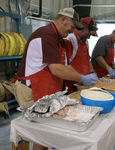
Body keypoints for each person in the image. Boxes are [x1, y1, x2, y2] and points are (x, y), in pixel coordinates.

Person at [16, 8, 98, 150]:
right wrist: (82, 78)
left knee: (45, 134)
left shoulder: (58, 39)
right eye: (72, 27)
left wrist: (85, 77)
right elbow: (56, 69)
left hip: (45, 90)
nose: (72, 31)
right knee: (40, 135)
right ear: (63, 20)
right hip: (31, 89)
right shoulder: (46, 35)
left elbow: (65, 66)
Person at [65, 17, 98, 94]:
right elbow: (64, 65)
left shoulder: (85, 41)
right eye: (89, 33)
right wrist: (81, 78)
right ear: (83, 28)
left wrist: (92, 72)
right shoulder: (70, 39)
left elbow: (87, 60)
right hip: (71, 86)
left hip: (84, 86)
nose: (89, 37)